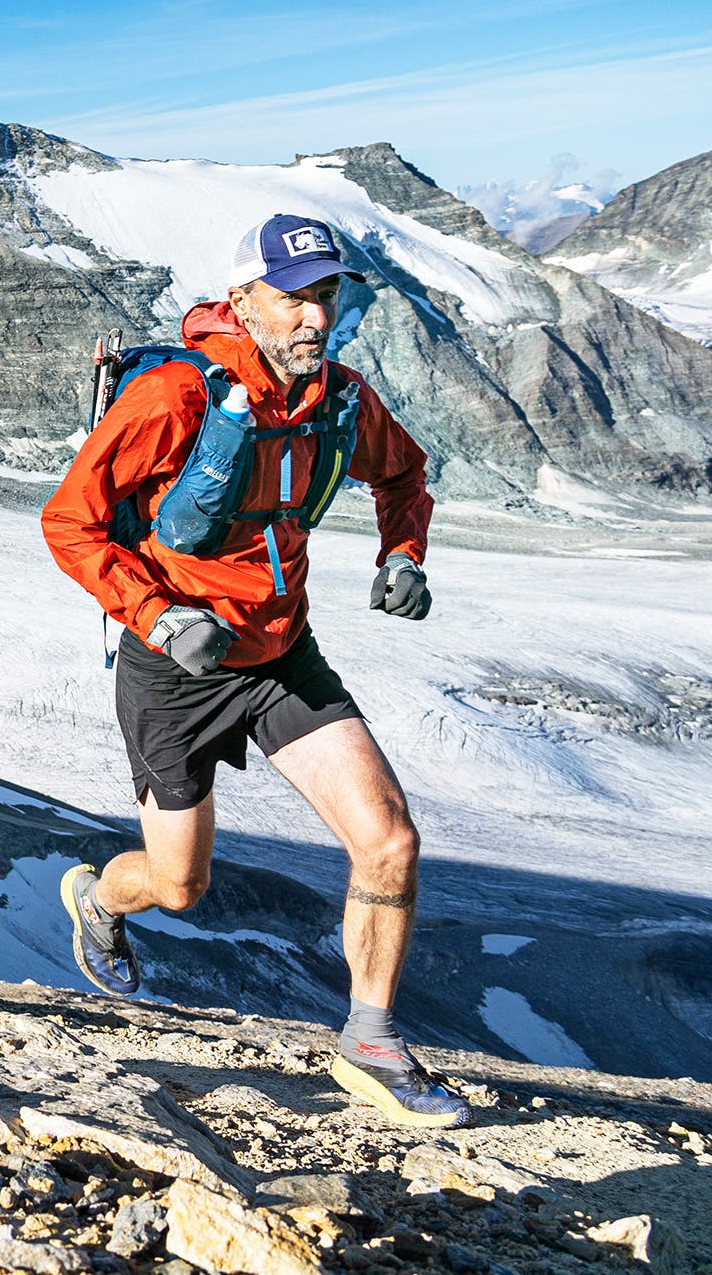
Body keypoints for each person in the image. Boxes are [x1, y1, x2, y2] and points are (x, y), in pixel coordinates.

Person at [40, 213, 471, 1129]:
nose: (315, 317)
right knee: (179, 887)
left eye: (327, 296)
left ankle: (371, 1042)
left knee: (389, 841)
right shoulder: (173, 398)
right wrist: (158, 616)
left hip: (279, 654)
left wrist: (404, 553)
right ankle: (100, 900)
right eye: (294, 298)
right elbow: (69, 522)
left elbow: (405, 476)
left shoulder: (339, 399)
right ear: (243, 301)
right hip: (176, 670)